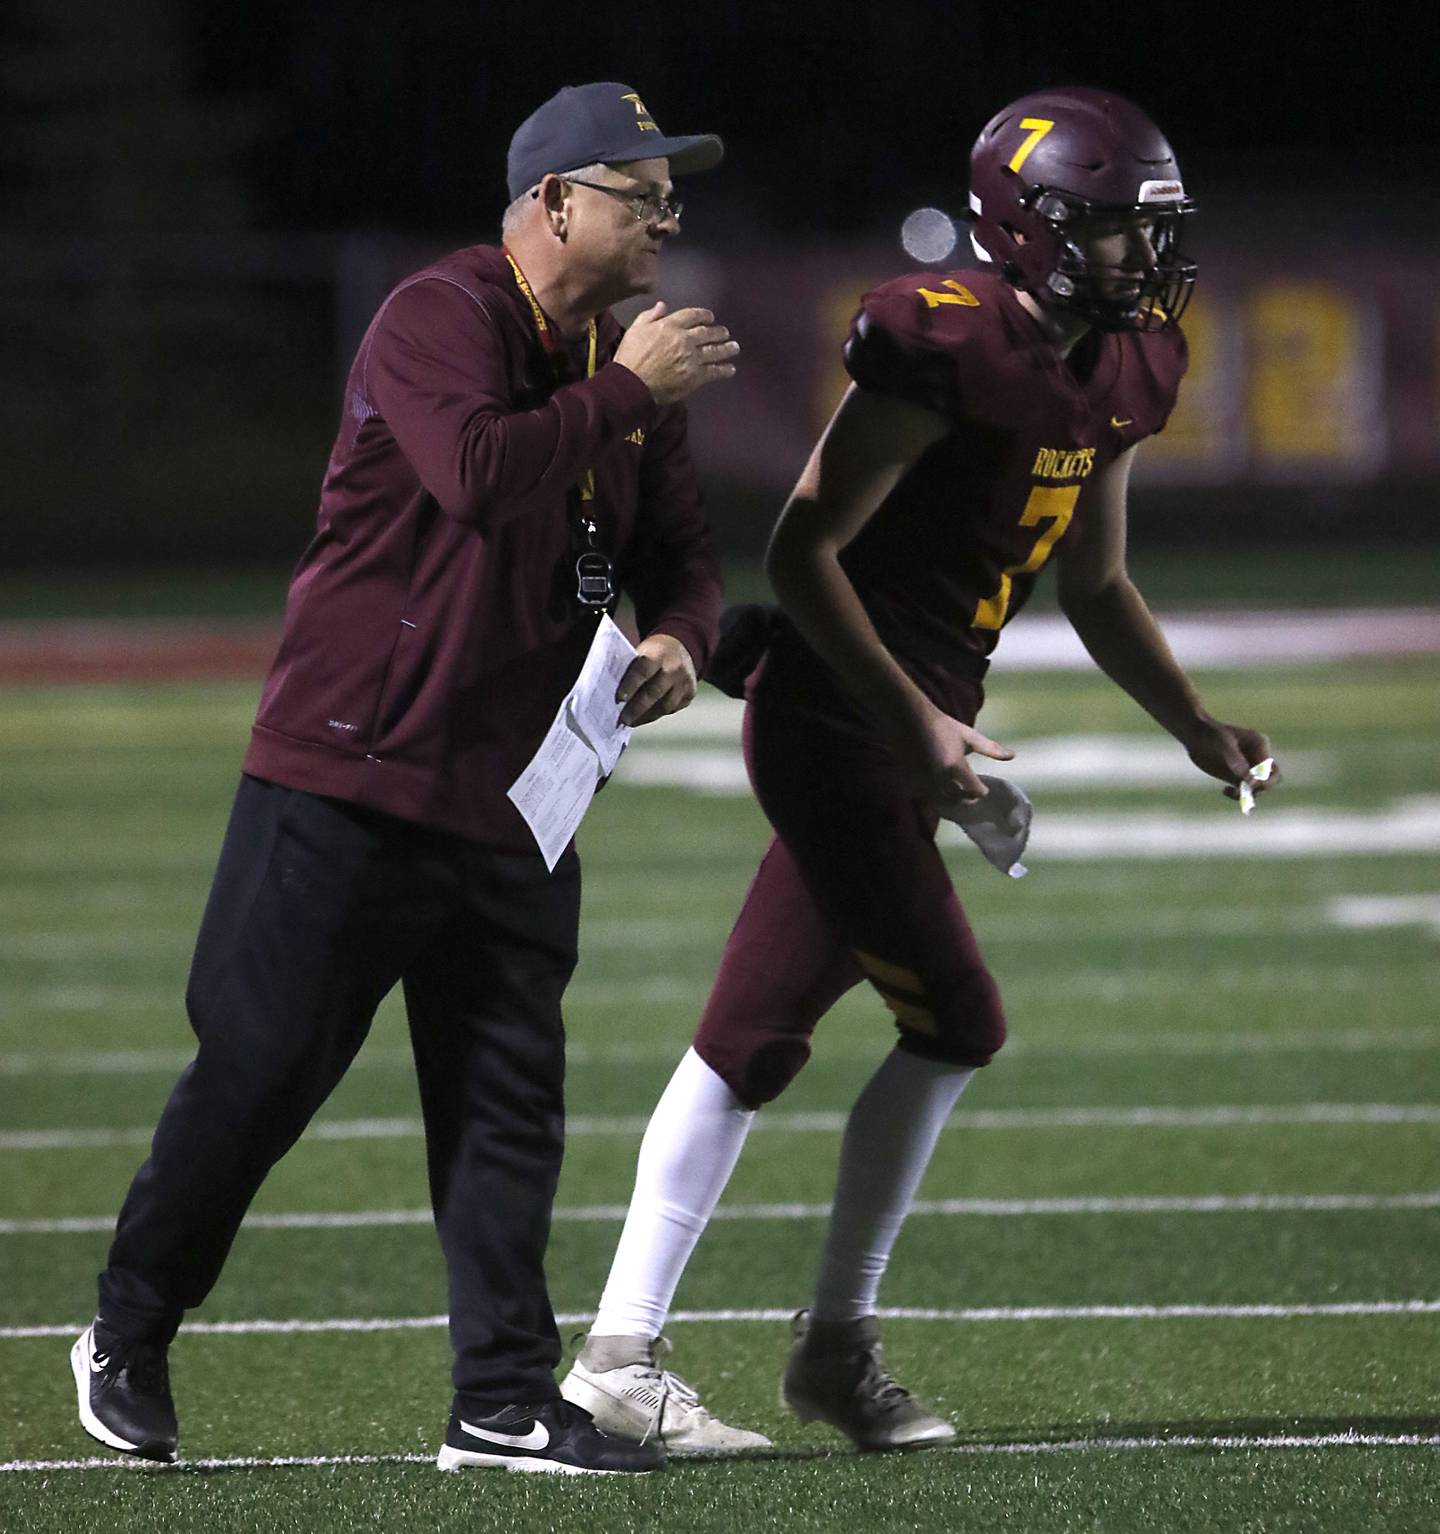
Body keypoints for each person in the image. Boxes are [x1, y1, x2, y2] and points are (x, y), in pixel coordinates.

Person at [559, 86, 1280, 1455]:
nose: (1146, 258)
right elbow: (801, 555)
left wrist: (1194, 723)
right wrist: (912, 725)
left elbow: (1101, 577)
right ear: (1036, 227)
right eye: (1122, 230)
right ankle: (741, 1348)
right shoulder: (944, 343)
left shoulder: (1124, 365)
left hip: (916, 721)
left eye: (1153, 231)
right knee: (949, 1017)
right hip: (841, 712)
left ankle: (667, 1351)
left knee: (765, 1025)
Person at [70, 81, 739, 1478]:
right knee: (259, 1072)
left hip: (517, 796)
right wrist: (628, 390)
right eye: (642, 189)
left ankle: (499, 1395)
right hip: (352, 774)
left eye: (671, 191)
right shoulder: (441, 313)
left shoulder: (627, 359)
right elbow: (477, 470)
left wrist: (681, 637)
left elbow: (685, 551)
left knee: (508, 1100)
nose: (669, 212)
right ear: (557, 201)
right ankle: (126, 1328)